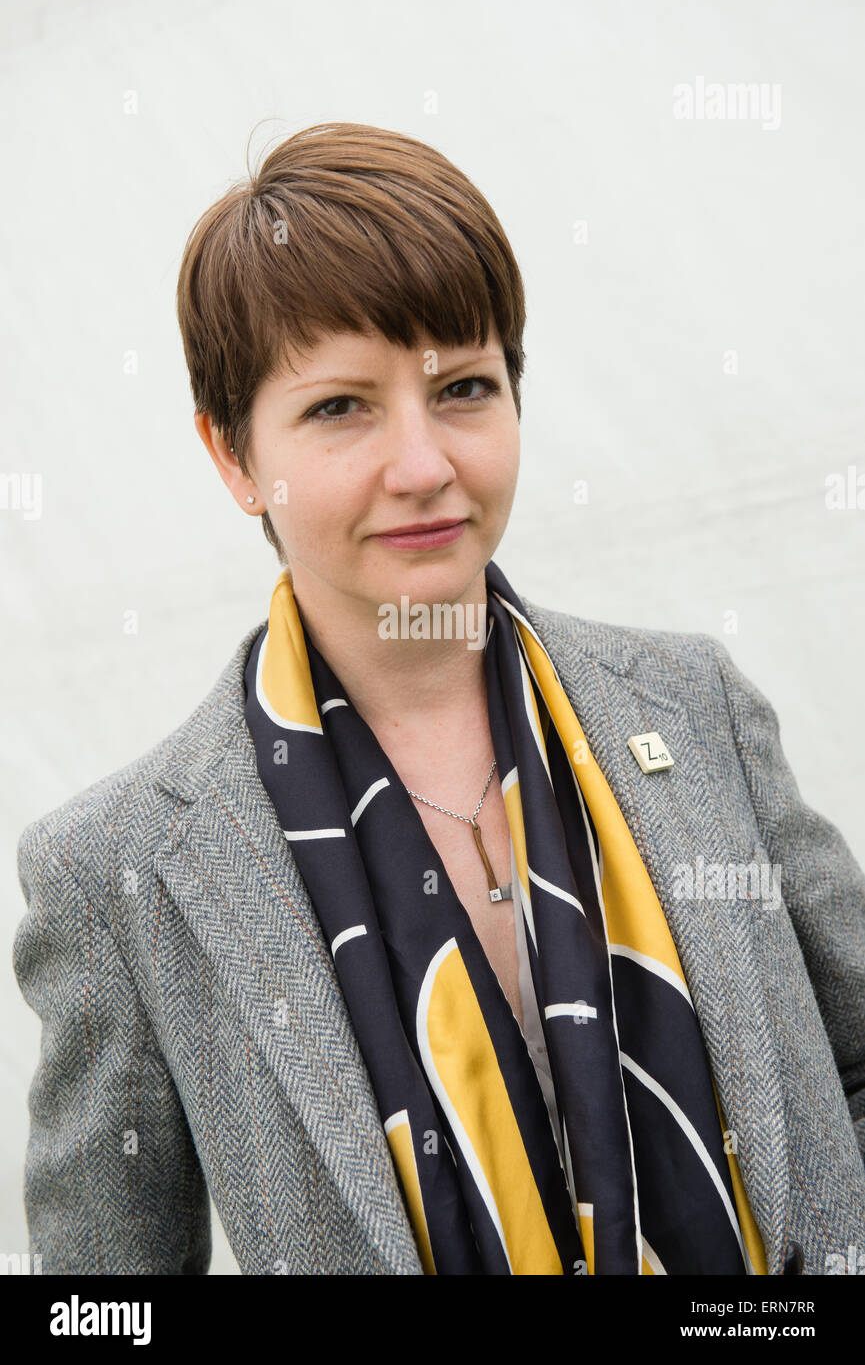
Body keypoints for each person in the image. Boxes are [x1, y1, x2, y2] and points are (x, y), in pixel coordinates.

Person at [13, 121, 865, 1276]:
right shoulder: (121, 869)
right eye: (339, 407)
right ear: (230, 454)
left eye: (462, 386)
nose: (422, 465)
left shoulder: (694, 708)